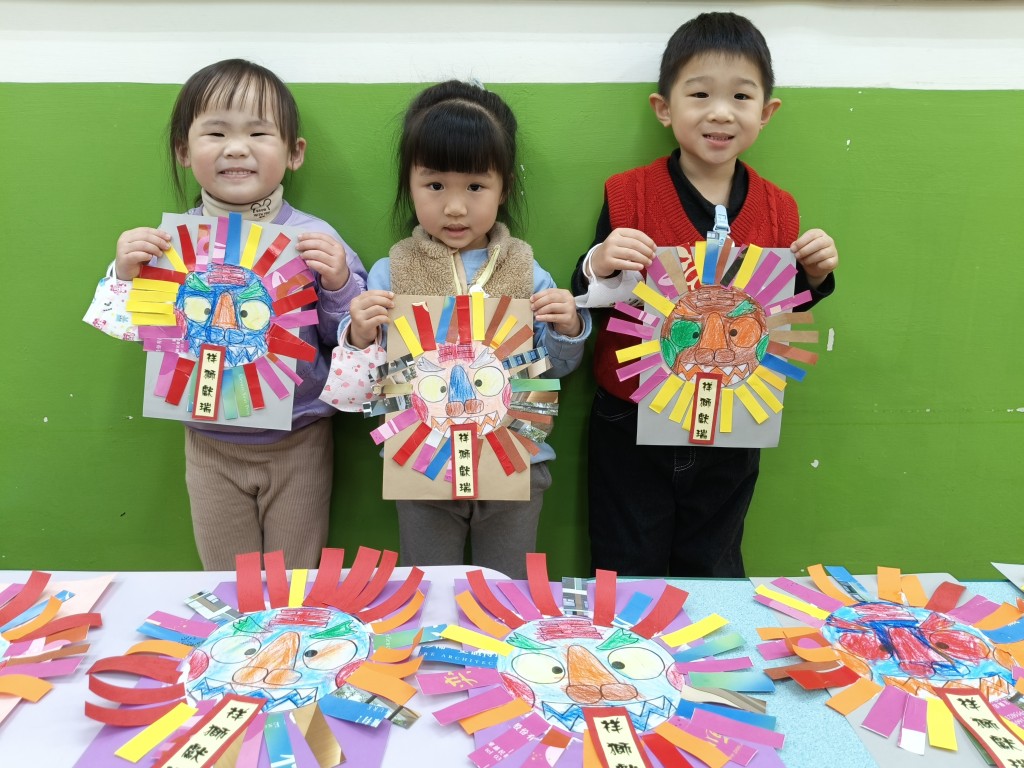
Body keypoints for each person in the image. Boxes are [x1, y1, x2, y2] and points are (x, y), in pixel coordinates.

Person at [572, 12, 838, 578]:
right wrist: (600, 260)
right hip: (631, 416)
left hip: (734, 420)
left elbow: (777, 313)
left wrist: (813, 276)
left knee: (714, 565)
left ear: (766, 112)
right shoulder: (628, 195)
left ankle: (713, 637)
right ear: (663, 108)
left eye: (741, 96)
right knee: (627, 564)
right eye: (699, 94)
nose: (720, 112)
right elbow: (589, 294)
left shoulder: (779, 209)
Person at [84, 59, 367, 570]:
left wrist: (339, 283)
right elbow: (136, 332)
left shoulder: (315, 240)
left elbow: (349, 342)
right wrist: (125, 274)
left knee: (293, 581)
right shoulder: (167, 244)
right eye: (215, 133)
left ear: (295, 152)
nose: (236, 147)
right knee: (226, 581)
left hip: (299, 438)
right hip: (207, 442)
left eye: (258, 133)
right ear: (183, 151)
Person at [322, 80, 590, 579]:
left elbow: (556, 370)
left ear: (503, 189)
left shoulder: (527, 271)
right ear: (409, 186)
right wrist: (359, 334)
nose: (454, 207)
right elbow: (366, 384)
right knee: (428, 589)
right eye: (435, 185)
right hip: (420, 465)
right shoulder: (389, 273)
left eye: (475, 187)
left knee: (508, 591)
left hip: (515, 465)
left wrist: (568, 326)